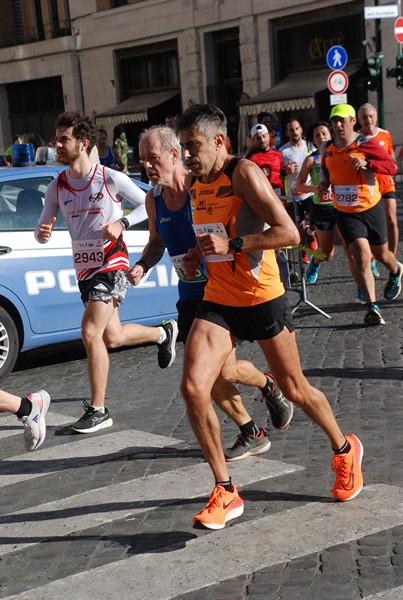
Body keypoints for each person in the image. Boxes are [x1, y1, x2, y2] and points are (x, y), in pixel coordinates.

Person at [177, 103, 364, 530]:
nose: (187, 155)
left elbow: (289, 234)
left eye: (193, 145)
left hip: (262, 298)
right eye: (182, 146)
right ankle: (225, 489)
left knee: (296, 389)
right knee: (192, 387)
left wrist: (236, 245)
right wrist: (196, 254)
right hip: (219, 298)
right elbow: (212, 237)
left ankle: (344, 448)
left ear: (219, 141)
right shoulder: (194, 183)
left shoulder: (242, 173)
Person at [127, 125, 292, 461]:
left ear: (175, 155)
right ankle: (251, 430)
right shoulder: (153, 198)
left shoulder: (200, 186)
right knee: (210, 374)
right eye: (142, 159)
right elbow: (157, 242)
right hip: (191, 293)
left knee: (224, 371)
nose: (146, 166)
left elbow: (244, 221)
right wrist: (143, 265)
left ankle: (268, 385)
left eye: (152, 158)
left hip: (225, 288)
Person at [35, 111, 178, 434]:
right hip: (84, 269)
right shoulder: (56, 186)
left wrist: (121, 222)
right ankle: (163, 333)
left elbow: (147, 203)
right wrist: (42, 231)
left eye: (64, 139)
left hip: (112, 263)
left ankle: (99, 409)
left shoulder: (108, 177)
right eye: (56, 138)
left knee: (90, 332)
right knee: (111, 337)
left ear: (83, 143)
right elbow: (42, 224)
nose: (56, 144)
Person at [320, 104, 402, 326]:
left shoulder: (364, 143)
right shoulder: (326, 147)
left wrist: (368, 163)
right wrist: (324, 184)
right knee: (362, 256)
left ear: (352, 121)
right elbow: (325, 173)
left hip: (370, 207)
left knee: (382, 254)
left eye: (342, 120)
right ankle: (372, 307)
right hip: (345, 213)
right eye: (334, 121)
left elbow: (391, 166)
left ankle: (395, 270)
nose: (337, 125)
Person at [297, 121, 356, 285]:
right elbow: (300, 185)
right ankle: (315, 263)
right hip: (322, 209)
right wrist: (315, 188)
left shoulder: (340, 153)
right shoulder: (311, 159)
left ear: (331, 135)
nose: (321, 137)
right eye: (317, 135)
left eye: (324, 133)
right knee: (327, 253)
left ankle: (364, 276)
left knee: (353, 245)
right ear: (313, 140)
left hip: (342, 205)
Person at [358, 103, 399, 258]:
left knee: (392, 220)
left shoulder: (385, 134)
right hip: (367, 185)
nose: (368, 120)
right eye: (364, 117)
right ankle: (372, 256)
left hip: (385, 183)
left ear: (376, 117)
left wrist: (390, 167)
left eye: (371, 116)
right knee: (370, 225)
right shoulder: (357, 139)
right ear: (359, 120)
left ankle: (392, 255)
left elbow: (391, 158)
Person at [280, 118, 317, 263]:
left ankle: (311, 232)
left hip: (309, 191)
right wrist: (286, 171)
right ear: (287, 133)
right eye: (291, 130)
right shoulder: (283, 151)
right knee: (299, 226)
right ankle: (303, 253)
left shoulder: (310, 146)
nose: (294, 132)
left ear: (301, 129)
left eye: (296, 128)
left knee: (315, 221)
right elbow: (278, 172)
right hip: (294, 195)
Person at [246, 124, 283, 197]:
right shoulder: (250, 158)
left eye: (264, 136)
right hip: (262, 195)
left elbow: (281, 172)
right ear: (253, 140)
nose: (262, 140)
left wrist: (287, 170)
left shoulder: (279, 154)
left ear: (268, 136)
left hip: (279, 195)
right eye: (258, 138)